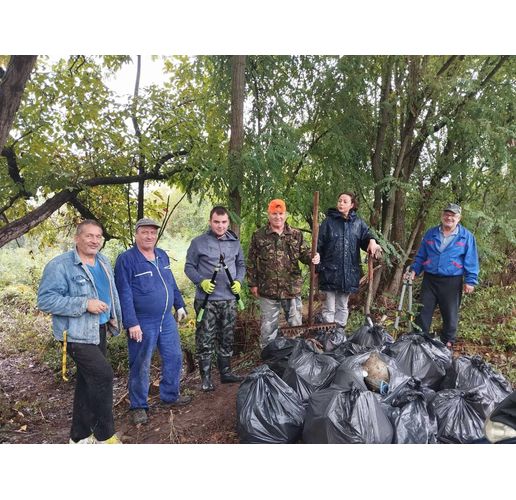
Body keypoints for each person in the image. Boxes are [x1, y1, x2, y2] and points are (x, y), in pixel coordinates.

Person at [37, 219, 122, 444]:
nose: (95, 240)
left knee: (87, 382)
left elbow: (110, 292)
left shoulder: (103, 261)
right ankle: (105, 436)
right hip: (75, 333)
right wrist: (84, 303)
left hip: (100, 329)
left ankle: (79, 436)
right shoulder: (60, 265)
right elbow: (45, 301)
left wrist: (114, 317)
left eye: (98, 236)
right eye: (89, 236)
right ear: (77, 238)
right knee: (103, 376)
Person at [114, 217, 191, 425]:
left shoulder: (162, 255)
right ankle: (138, 406)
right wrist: (131, 322)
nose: (149, 236)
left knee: (174, 356)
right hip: (142, 321)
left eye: (152, 233)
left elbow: (170, 282)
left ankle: (170, 395)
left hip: (166, 319)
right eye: (145, 232)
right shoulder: (126, 260)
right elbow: (124, 293)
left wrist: (180, 304)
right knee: (140, 363)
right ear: (136, 234)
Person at [185, 206, 246, 391]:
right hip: (207, 301)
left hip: (229, 299)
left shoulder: (234, 243)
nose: (220, 226)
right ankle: (205, 378)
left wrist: (239, 281)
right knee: (205, 338)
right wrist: (201, 282)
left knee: (226, 336)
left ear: (228, 222)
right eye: (216, 222)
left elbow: (241, 265)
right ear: (210, 222)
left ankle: (226, 372)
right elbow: (189, 267)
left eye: (224, 222)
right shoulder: (198, 243)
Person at [247, 199, 320, 348]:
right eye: (274, 214)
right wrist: (252, 283)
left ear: (285, 214)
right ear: (269, 215)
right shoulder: (259, 235)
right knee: (268, 329)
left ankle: (297, 356)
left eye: (280, 214)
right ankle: (269, 359)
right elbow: (251, 261)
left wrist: (314, 257)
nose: (277, 217)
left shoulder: (296, 234)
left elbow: (305, 255)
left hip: (291, 288)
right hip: (267, 289)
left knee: (296, 326)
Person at [406, 203, 479, 348]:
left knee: (450, 314)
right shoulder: (431, 233)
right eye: (446, 214)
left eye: (453, 215)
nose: (449, 217)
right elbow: (421, 255)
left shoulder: (466, 237)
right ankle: (420, 343)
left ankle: (447, 345)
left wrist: (470, 280)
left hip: (452, 281)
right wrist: (414, 270)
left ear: (459, 218)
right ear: (442, 215)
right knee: (423, 312)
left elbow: (471, 259)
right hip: (430, 280)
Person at [316, 192, 382, 329]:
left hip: (348, 273)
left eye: (345, 201)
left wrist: (372, 241)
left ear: (352, 205)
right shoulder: (328, 222)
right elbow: (318, 245)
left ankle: (339, 335)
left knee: (343, 306)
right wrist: (317, 265)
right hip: (329, 271)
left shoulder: (358, 223)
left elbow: (367, 236)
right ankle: (328, 336)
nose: (341, 203)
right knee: (329, 308)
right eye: (339, 200)